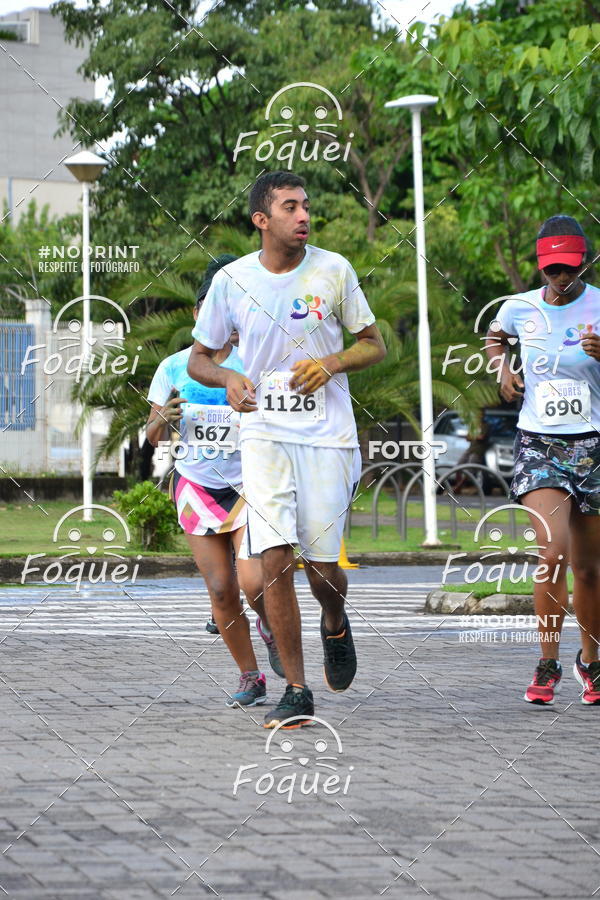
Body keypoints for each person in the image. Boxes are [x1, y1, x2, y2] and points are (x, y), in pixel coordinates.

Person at [188, 171, 386, 729]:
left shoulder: (334, 270)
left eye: (306, 206)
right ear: (261, 219)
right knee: (274, 557)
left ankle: (335, 619)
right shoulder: (232, 280)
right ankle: (297, 690)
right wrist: (227, 376)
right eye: (291, 207)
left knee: (322, 568)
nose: (304, 216)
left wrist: (332, 363)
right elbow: (201, 356)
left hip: (328, 436)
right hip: (264, 433)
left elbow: (374, 345)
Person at [146, 255, 283, 708]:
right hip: (195, 487)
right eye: (211, 309)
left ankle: (268, 624)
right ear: (197, 314)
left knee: (251, 582)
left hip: (250, 485)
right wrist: (161, 419)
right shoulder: (172, 367)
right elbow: (151, 435)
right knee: (221, 590)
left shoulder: (256, 362)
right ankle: (250, 677)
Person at [486, 215, 600, 705]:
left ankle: (590, 661)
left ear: (585, 262)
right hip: (540, 443)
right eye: (551, 269)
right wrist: (503, 367)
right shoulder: (519, 309)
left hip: (593, 444)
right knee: (550, 554)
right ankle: (548, 661)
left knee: (590, 570)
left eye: (568, 268)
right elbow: (495, 336)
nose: (559, 277)